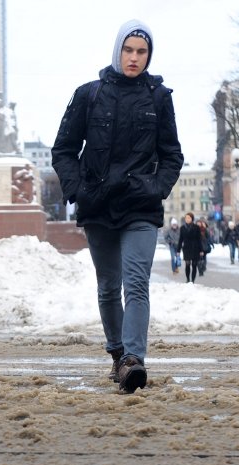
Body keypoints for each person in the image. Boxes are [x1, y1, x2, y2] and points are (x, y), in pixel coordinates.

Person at [51, 19, 184, 394]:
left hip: (140, 206)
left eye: (141, 52)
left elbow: (172, 154)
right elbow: (63, 150)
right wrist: (78, 188)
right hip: (98, 204)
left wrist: (156, 187)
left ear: (149, 56)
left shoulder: (159, 98)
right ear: (117, 50)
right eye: (128, 50)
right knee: (109, 286)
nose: (134, 58)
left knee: (136, 283)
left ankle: (133, 360)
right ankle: (117, 353)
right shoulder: (88, 95)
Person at [177, 212, 202, 284]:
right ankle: (188, 279)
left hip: (195, 248)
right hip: (186, 248)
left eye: (189, 218)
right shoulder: (182, 228)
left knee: (194, 265)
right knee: (187, 264)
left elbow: (199, 239)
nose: (187, 219)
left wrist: (201, 250)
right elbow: (180, 239)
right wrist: (178, 250)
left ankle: (193, 280)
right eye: (186, 218)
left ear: (192, 219)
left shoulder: (196, 227)